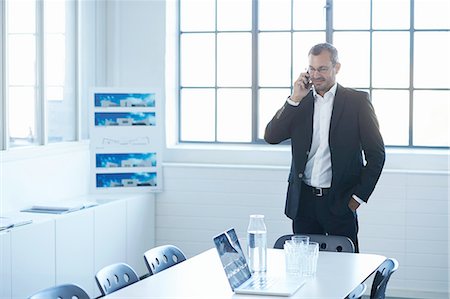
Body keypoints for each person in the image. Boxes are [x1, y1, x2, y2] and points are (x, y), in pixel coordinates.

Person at [264, 43, 385, 252]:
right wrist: (294, 99)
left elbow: (376, 155)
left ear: (336, 68)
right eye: (311, 69)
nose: (315, 75)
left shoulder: (357, 102)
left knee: (347, 269)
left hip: (340, 201)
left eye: (322, 69)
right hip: (304, 203)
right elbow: (271, 136)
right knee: (303, 268)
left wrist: (357, 198)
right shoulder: (299, 102)